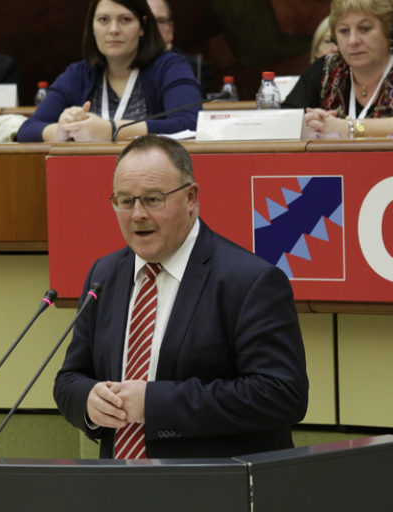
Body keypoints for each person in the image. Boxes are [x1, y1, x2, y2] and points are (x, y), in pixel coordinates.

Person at [53, 134, 309, 459]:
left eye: (153, 199)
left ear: (190, 197)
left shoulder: (249, 281)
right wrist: (89, 401)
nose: (137, 214)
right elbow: (69, 380)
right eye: (125, 201)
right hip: (120, 481)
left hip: (213, 482)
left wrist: (154, 403)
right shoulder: (104, 275)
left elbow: (282, 395)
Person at [15, 0, 201, 143]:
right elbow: (27, 130)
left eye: (125, 20)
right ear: (92, 27)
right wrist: (61, 131)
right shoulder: (79, 74)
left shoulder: (169, 66)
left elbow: (190, 124)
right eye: (103, 20)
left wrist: (112, 130)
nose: (113, 30)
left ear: (143, 27)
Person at [282, 0, 393, 139]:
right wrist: (310, 121)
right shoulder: (325, 69)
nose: (353, 40)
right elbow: (284, 118)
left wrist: (349, 127)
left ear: (390, 32)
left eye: (365, 28)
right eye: (344, 31)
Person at [147, 0, 213, 95]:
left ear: (171, 28)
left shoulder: (196, 65)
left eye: (161, 21)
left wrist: (163, 57)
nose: (154, 28)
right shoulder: (126, 62)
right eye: (147, 21)